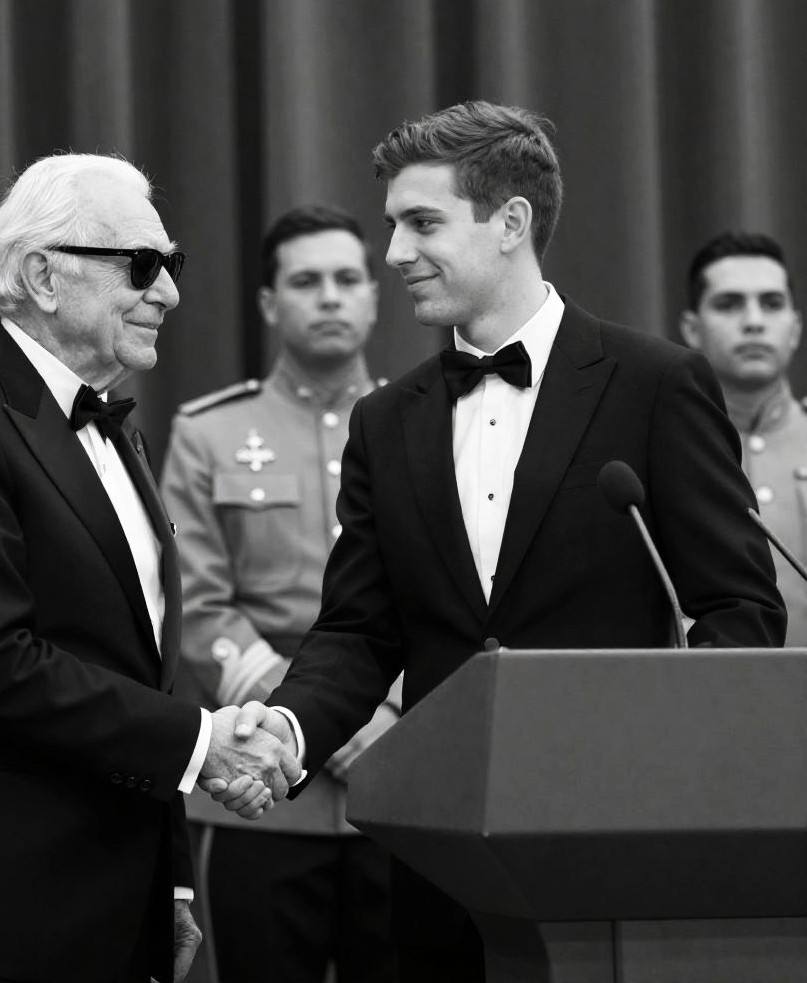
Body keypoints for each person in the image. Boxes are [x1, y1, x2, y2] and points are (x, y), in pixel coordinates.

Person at [210, 101, 786, 982]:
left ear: (510, 222)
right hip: (438, 869)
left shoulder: (655, 384)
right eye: (393, 225)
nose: (395, 252)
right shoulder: (385, 420)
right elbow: (358, 632)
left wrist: (677, 772)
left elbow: (736, 608)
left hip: (613, 849)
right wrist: (286, 730)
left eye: (421, 223)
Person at [0, 154, 299, 983]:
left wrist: (170, 877)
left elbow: (136, 668)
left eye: (172, 264)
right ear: (44, 277)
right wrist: (203, 742)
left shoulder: (113, 427)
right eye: (142, 265)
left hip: (114, 902)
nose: (170, 293)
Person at [161, 204, 399, 983]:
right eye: (306, 281)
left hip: (403, 778)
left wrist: (380, 715)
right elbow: (198, 605)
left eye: (347, 279)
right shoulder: (208, 432)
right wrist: (308, 723)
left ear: (373, 296)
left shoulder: (425, 426)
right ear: (268, 303)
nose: (329, 296)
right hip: (256, 786)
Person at [680, 231, 807, 646]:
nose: (753, 321)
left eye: (772, 304)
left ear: (795, 328)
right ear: (692, 329)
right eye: (729, 304)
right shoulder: (663, 449)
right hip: (709, 684)